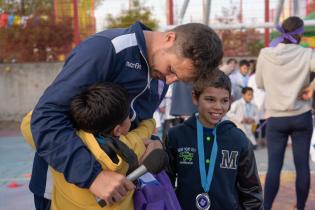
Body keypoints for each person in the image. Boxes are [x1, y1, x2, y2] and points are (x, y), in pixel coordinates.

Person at [28, 21, 223, 209]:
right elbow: (46, 116)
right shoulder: (105, 49)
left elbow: (133, 123)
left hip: (114, 194)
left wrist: (153, 141)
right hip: (64, 188)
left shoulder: (160, 76)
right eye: (172, 70)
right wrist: (92, 176)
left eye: (178, 79)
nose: (170, 81)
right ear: (169, 38)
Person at [21, 83, 181, 210]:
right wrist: (150, 122)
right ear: (118, 130)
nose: (131, 120)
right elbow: (145, 129)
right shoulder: (130, 145)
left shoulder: (62, 144)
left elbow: (31, 121)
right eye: (128, 117)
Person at [165, 70, 263, 210]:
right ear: (195, 98)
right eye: (210, 99)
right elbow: (166, 184)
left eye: (224, 101)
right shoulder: (176, 135)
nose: (218, 107)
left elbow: (251, 191)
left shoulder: (238, 139)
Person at [256, 16, 315, 210]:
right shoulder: (307, 54)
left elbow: (260, 84)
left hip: (276, 118)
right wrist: (311, 88)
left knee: (274, 167)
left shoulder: (266, 54)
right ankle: (300, 207)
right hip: (302, 116)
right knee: (302, 166)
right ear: (300, 34)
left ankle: (266, 207)